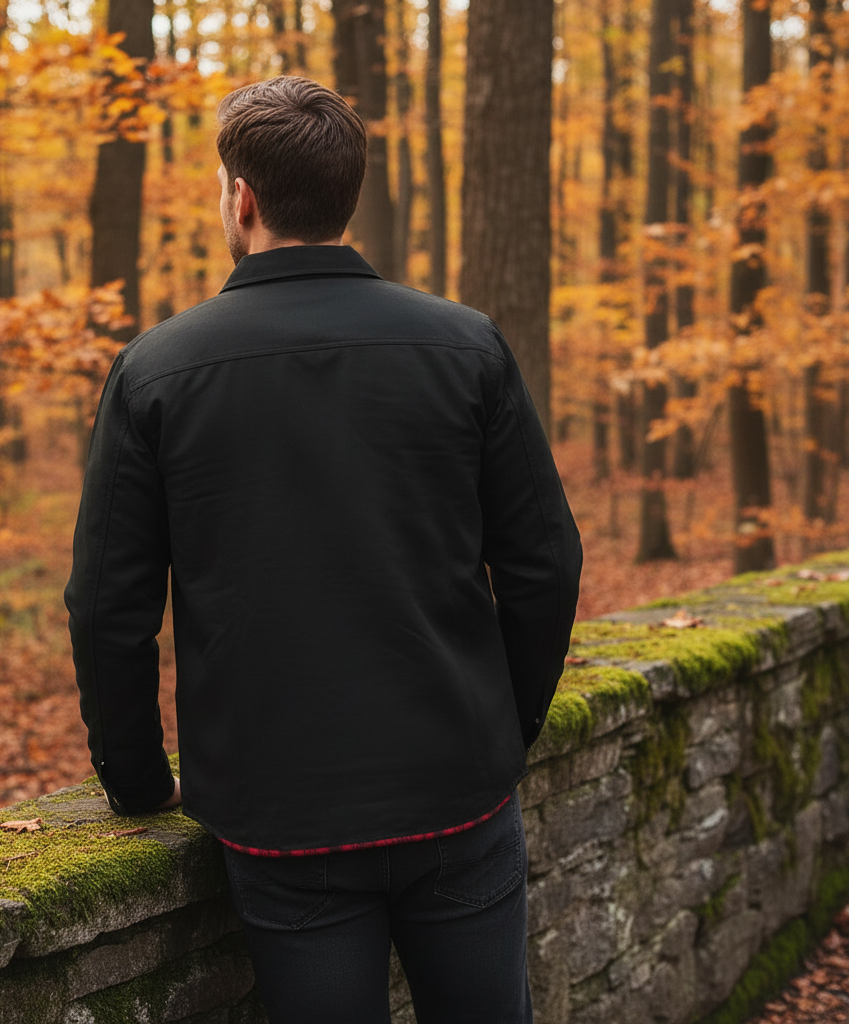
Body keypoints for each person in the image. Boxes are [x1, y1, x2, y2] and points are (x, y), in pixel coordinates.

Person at [65, 76, 582, 1024]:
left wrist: (138, 783)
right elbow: (546, 564)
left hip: (280, 820)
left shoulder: (156, 371)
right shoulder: (466, 347)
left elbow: (108, 610)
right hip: (456, 789)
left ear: (243, 198)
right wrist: (501, 729)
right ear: (346, 196)